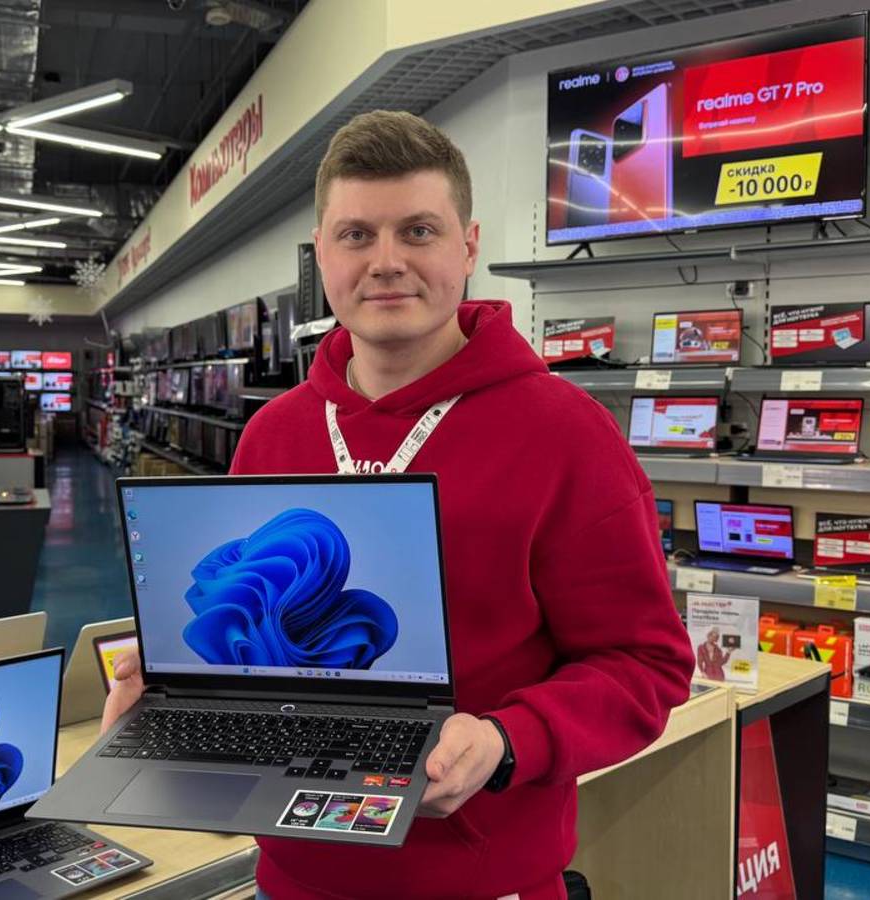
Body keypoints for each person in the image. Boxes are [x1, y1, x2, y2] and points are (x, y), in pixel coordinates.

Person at [102, 110, 693, 900]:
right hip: (291, 879)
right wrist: (177, 692)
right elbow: (265, 645)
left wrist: (505, 739)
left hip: (481, 883)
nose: (386, 263)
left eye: (418, 231)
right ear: (323, 253)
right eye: (357, 235)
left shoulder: (567, 434)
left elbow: (646, 664)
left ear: (467, 246)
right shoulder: (273, 434)